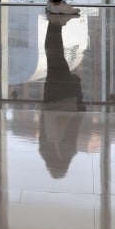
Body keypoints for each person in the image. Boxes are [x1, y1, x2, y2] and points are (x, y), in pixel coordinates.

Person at [38, 16, 84, 178]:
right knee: (53, 56)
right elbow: (43, 123)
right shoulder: (45, 150)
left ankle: (56, 23)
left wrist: (78, 91)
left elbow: (75, 121)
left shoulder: (67, 149)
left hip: (65, 97)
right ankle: (55, 23)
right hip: (52, 97)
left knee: (54, 55)